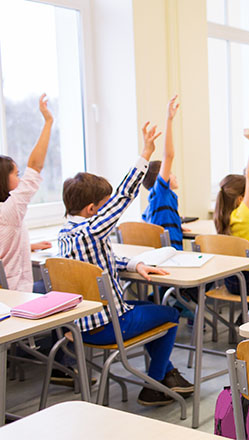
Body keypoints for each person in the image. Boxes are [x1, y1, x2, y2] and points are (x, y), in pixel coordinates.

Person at [59, 122, 193, 406]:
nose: (110, 210)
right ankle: (154, 384)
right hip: (108, 325)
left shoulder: (66, 235)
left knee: (149, 310)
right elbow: (123, 196)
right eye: (104, 206)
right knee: (169, 315)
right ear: (93, 210)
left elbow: (98, 262)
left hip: (78, 327)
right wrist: (145, 152)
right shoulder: (91, 230)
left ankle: (165, 374)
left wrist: (134, 264)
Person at [0, 94, 53, 293]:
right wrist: (48, 121)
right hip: (17, 294)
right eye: (16, 174)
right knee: (60, 286)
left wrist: (26, 246)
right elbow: (35, 166)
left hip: (5, 295)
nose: (21, 179)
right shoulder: (9, 210)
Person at [214, 128, 249, 295]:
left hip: (230, 281)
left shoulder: (221, 217)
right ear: (241, 198)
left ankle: (245, 315)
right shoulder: (243, 214)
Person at [142, 95, 184, 250]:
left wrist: (177, 224)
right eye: (170, 173)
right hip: (172, 256)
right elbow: (169, 155)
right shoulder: (161, 194)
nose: (174, 175)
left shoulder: (154, 201)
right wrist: (169, 120)